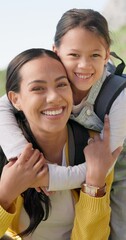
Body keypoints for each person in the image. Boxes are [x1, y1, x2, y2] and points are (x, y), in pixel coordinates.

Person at [0, 8, 126, 239]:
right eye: (38, 88)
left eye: (61, 85)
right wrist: (5, 194)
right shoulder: (7, 143)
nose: (54, 98)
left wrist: (94, 186)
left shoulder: (93, 148)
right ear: (15, 99)